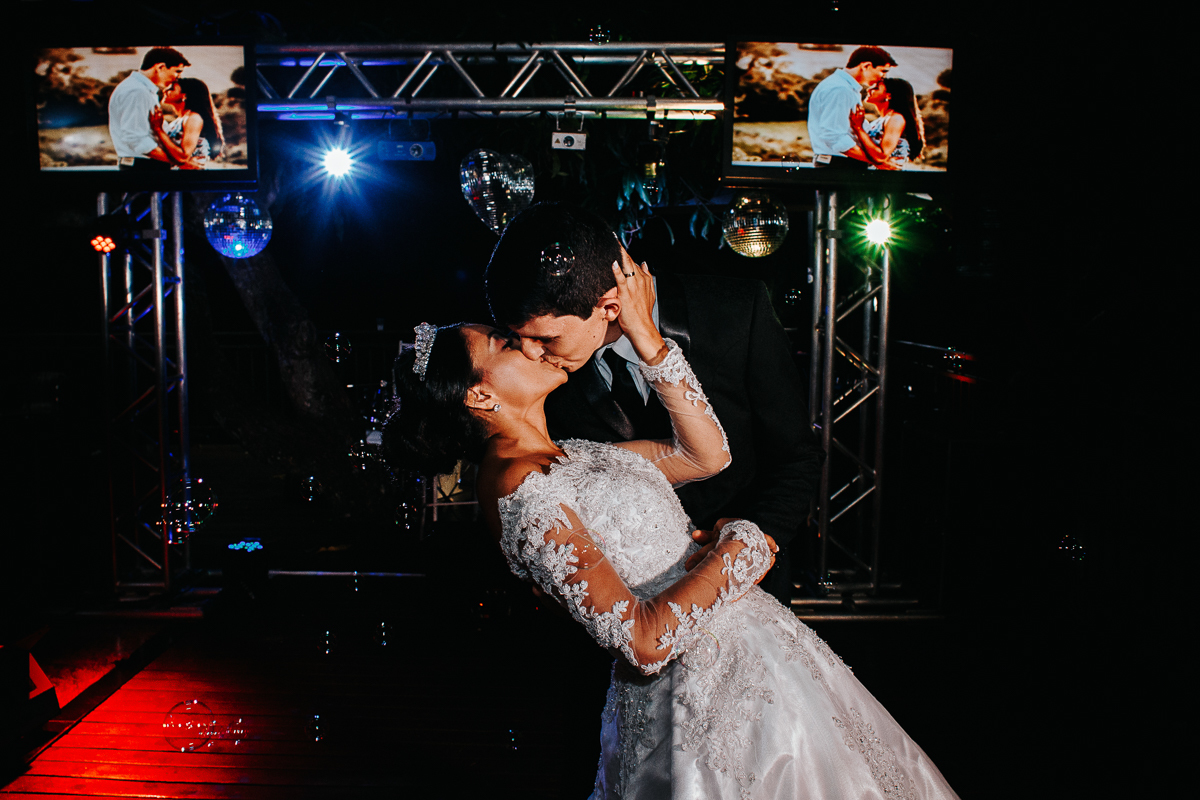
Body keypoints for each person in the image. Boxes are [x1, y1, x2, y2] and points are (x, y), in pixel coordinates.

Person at [381, 266, 959, 797]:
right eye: (507, 344)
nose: (533, 343)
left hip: (761, 661)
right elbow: (643, 642)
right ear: (479, 395)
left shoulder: (574, 455)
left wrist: (648, 339)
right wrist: (740, 550)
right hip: (694, 703)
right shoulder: (517, 486)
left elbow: (706, 455)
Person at [485, 204, 821, 607]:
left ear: (610, 307)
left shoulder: (734, 311)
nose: (529, 352)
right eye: (517, 336)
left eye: (546, 338)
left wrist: (757, 535)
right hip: (630, 601)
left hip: (747, 587)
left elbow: (796, 455)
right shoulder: (539, 375)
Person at [806, 45, 896, 170]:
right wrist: (878, 162)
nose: (883, 77)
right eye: (883, 71)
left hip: (840, 164)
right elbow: (834, 137)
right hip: (839, 166)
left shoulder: (845, 87)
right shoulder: (840, 89)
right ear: (866, 66)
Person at [107, 47, 189, 171]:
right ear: (160, 67)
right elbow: (136, 140)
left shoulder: (142, 89)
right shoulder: (137, 91)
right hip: (143, 167)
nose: (178, 77)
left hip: (143, 165)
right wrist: (180, 162)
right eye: (177, 71)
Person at [849, 77, 926, 171]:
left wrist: (858, 128)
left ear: (888, 96)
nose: (869, 89)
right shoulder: (883, 119)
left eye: (876, 88)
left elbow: (881, 156)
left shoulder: (896, 119)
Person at [150, 77, 224, 169]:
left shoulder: (193, 118)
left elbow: (183, 156)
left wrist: (158, 130)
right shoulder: (180, 119)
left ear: (184, 96)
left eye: (172, 89)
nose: (165, 91)